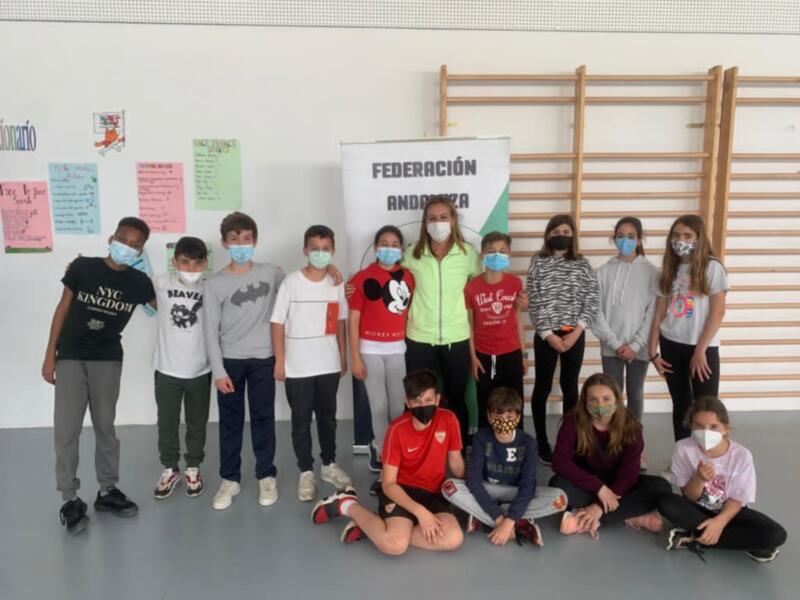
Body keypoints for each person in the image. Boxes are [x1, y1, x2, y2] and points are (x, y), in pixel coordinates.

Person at [42, 217, 156, 534]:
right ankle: (69, 499)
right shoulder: (83, 268)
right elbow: (62, 309)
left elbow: (171, 306)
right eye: (123, 239)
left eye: (135, 245)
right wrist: (49, 354)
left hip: (107, 360)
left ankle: (107, 490)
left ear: (141, 250)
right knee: (67, 430)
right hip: (71, 357)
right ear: (111, 238)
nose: (127, 247)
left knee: (106, 427)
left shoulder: (139, 282)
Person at [311, 369, 464, 555]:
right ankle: (347, 504)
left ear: (438, 400)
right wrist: (421, 513)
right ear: (407, 402)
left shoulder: (449, 419)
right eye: (416, 401)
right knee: (395, 546)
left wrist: (475, 492)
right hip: (401, 491)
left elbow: (456, 465)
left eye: (428, 400)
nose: (423, 406)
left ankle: (376, 528)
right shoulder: (397, 429)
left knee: (454, 538)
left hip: (433, 493)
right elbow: (389, 484)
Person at [204, 212, 284, 510]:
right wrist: (218, 370)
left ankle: (266, 475)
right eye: (234, 239)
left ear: (255, 241)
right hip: (230, 362)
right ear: (225, 243)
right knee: (230, 422)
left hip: (264, 358)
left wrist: (332, 273)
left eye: (247, 238)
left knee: (264, 418)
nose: (241, 244)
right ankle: (230, 479)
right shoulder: (215, 283)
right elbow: (209, 330)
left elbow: (299, 287)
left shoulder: (269, 272)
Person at [271, 225, 352, 502]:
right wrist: (280, 360)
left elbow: (340, 321)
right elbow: (277, 322)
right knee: (300, 421)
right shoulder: (291, 282)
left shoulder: (335, 283)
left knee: (328, 419)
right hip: (297, 366)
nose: (320, 254)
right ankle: (306, 471)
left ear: (333, 251)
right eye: (314, 248)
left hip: (328, 364)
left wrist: (342, 356)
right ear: (305, 250)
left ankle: (329, 464)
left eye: (326, 248)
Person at [658, 396, 787, 563]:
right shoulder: (683, 448)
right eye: (699, 426)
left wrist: (719, 522)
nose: (706, 432)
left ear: (725, 428)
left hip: (730, 511)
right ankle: (739, 540)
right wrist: (698, 478)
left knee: (776, 534)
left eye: (713, 427)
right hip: (697, 508)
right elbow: (690, 496)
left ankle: (693, 538)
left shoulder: (741, 455)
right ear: (691, 425)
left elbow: (737, 499)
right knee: (665, 502)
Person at [441, 388, 567, 547]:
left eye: (509, 416)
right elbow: (474, 481)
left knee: (560, 498)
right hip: (489, 489)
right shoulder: (481, 438)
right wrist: (501, 520)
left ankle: (485, 516)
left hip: (516, 492)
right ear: (488, 415)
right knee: (449, 487)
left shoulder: (529, 443)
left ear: (518, 417)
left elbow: (528, 486)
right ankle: (519, 522)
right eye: (497, 416)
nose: (503, 421)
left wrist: (508, 521)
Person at [402, 195, 482, 444]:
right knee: (418, 399)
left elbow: (481, 289)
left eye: (443, 217)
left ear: (454, 220)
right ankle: (417, 447)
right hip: (419, 338)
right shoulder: (411, 255)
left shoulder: (467, 254)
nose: (438, 223)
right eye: (432, 218)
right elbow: (384, 278)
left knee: (457, 397)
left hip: (456, 337)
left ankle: (459, 449)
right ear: (425, 223)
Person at [550, 373, 670, 539]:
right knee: (557, 487)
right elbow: (559, 462)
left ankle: (588, 519)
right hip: (586, 484)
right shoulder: (572, 421)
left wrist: (599, 506)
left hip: (618, 487)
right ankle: (630, 515)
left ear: (616, 400)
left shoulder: (631, 426)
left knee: (661, 487)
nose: (600, 405)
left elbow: (629, 473)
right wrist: (599, 488)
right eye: (593, 399)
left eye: (606, 399)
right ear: (585, 402)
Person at [526, 214, 599, 464]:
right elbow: (534, 300)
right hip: (546, 335)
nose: (561, 235)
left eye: (566, 231)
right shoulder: (537, 262)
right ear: (548, 234)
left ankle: (569, 442)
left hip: (574, 334)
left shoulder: (583, 264)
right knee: (542, 387)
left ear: (573, 235)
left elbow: (591, 300)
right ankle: (542, 443)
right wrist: (548, 335)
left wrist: (576, 332)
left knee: (570, 388)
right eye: (556, 231)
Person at [648, 215, 728, 442]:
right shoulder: (669, 269)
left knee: (706, 406)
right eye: (676, 235)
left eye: (687, 235)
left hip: (702, 347)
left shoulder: (712, 268)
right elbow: (660, 312)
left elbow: (717, 312)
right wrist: (653, 351)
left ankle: (708, 457)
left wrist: (700, 350)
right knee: (681, 404)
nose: (680, 240)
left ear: (699, 238)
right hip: (672, 345)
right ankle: (683, 457)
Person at [348, 225, 415, 494]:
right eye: (383, 243)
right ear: (375, 248)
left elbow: (408, 312)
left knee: (398, 407)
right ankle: (384, 454)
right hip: (369, 349)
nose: (389, 248)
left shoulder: (409, 277)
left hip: (397, 348)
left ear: (401, 249)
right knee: (378, 407)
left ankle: (395, 453)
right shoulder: (362, 278)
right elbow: (353, 320)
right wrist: (354, 357)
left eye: (394, 244)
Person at [591, 216, 658, 469]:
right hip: (611, 346)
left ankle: (635, 446)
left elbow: (653, 310)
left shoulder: (651, 271)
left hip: (638, 347)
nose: (625, 241)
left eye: (631, 236)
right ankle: (613, 442)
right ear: (614, 238)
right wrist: (615, 342)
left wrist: (637, 344)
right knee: (613, 396)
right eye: (620, 235)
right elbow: (596, 311)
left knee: (636, 394)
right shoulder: (604, 271)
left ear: (639, 239)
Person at [152, 237, 212, 500]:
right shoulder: (160, 283)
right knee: (167, 422)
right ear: (174, 261)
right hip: (167, 369)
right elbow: (127, 279)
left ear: (205, 263)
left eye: (197, 262)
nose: (190, 267)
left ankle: (193, 467)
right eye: (185, 261)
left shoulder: (212, 286)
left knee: (197, 423)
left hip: (200, 369)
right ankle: (170, 468)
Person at [465, 231, 528, 430]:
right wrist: (473, 356)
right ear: (482, 254)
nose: (496, 255)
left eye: (502, 251)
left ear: (509, 254)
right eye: (491, 251)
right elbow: (469, 325)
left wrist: (524, 354)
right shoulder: (472, 287)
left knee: (514, 402)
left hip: (511, 353)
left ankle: (517, 443)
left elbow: (518, 318)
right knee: (486, 402)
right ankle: (486, 446)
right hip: (483, 355)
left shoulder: (515, 283)